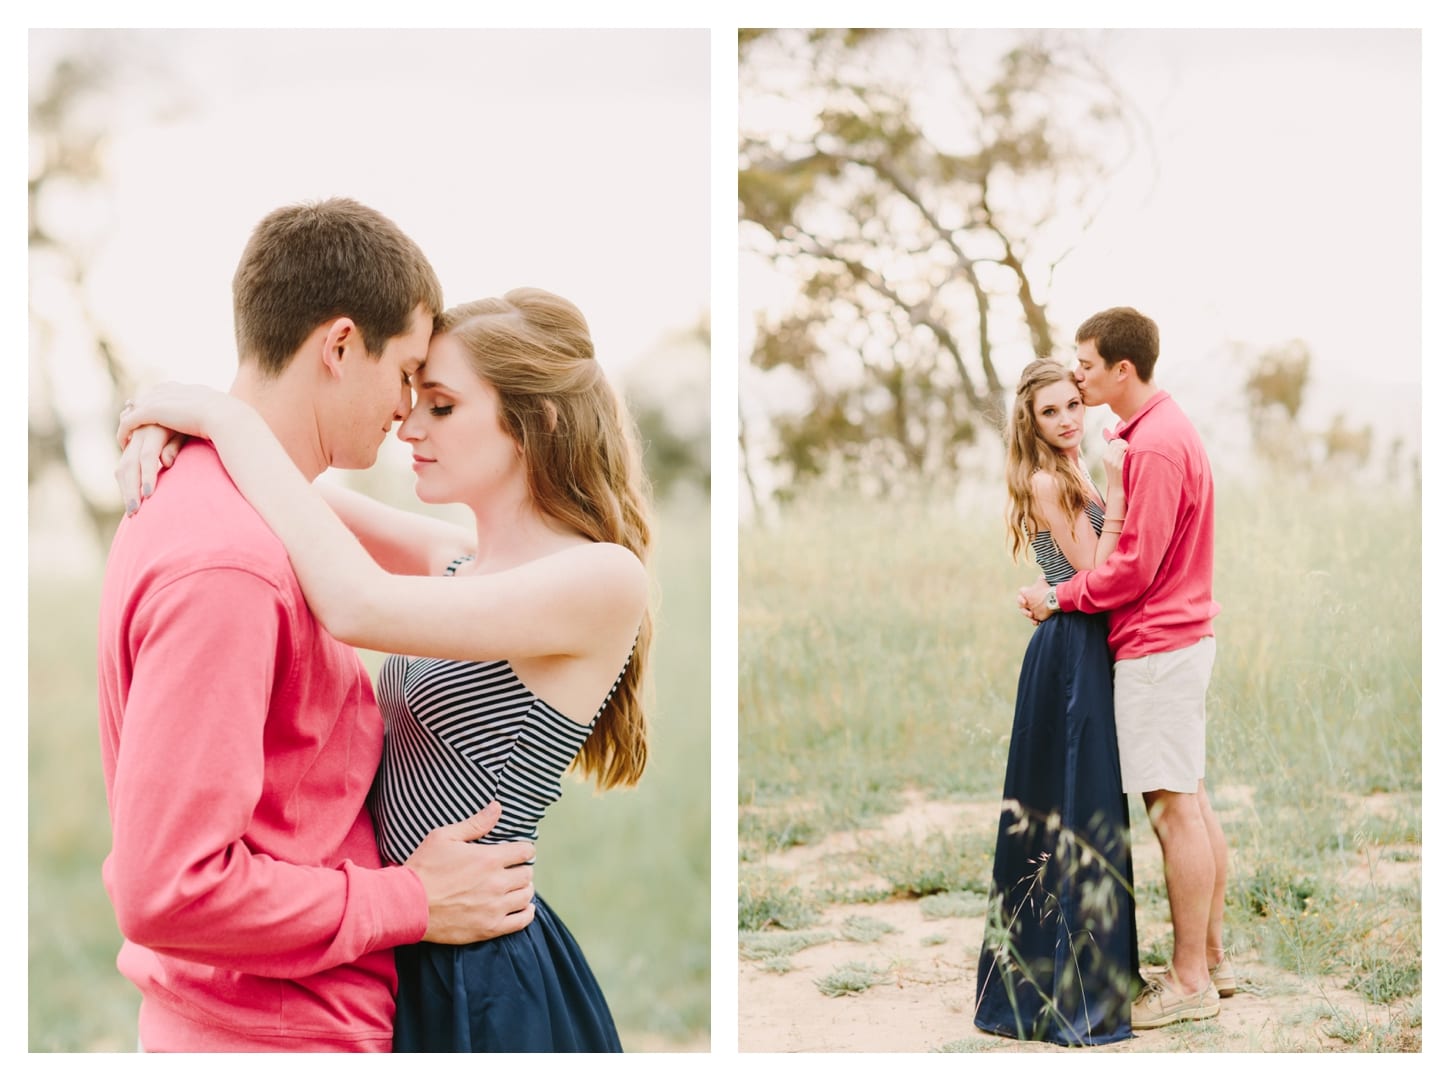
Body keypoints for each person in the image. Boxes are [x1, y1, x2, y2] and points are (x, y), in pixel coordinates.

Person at [115, 285, 652, 1053]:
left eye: (440, 405)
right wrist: (173, 425)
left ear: (539, 422)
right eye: (412, 397)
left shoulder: (601, 579)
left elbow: (357, 603)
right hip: (399, 926)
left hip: (473, 963)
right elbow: (291, 488)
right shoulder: (458, 560)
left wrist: (223, 418)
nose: (408, 424)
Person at [1019, 306, 1229, 1031]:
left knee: (1176, 809)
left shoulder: (1156, 446)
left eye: (1084, 368)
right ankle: (1212, 961)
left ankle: (1192, 978)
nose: (1077, 378)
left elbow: (1131, 570)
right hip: (1159, 641)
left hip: (1159, 644)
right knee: (1190, 802)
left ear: (1121, 370)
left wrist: (1058, 594)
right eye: (1057, 395)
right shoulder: (1144, 438)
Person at [973, 358, 1140, 1046]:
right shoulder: (1048, 479)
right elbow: (1094, 574)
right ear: (1031, 422)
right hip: (1069, 651)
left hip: (1079, 639)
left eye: (1073, 403)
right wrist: (1120, 491)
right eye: (1051, 411)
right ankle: (1062, 987)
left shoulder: (1071, 470)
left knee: (1089, 801)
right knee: (1070, 806)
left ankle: (1092, 973)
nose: (1068, 418)